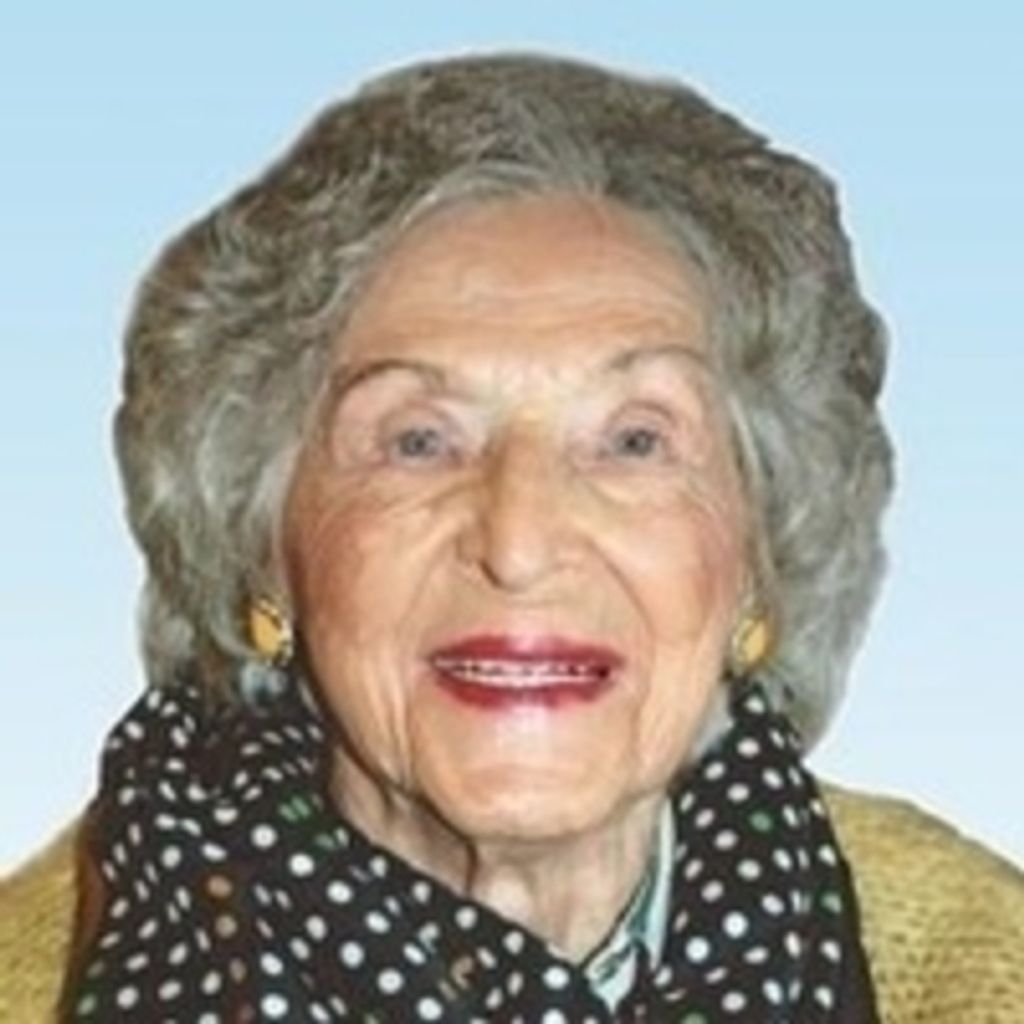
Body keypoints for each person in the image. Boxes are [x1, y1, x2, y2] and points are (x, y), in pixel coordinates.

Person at [1, 52, 1022, 1022]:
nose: (520, 543)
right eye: (418, 441)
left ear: (757, 563)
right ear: (263, 548)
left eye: (633, 441)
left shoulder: (984, 961)